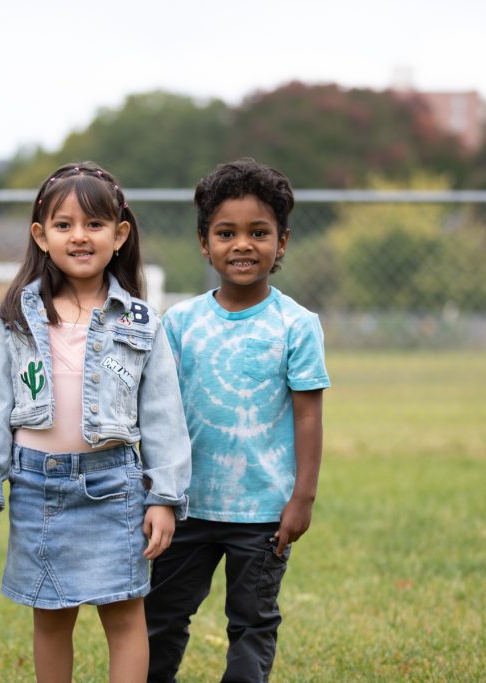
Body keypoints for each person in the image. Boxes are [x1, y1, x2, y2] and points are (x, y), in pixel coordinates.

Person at [0, 162, 192, 683]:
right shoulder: (19, 317)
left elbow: (163, 416)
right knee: (50, 617)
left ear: (120, 234)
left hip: (114, 487)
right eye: (64, 225)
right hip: (35, 486)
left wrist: (163, 496)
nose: (80, 236)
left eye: (94, 224)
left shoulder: (138, 320)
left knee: (124, 614)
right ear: (41, 237)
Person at [145, 158, 331, 683]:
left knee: (251, 623)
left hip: (263, 510)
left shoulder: (296, 325)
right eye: (226, 233)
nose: (243, 245)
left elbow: (309, 417)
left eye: (259, 232)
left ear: (283, 242)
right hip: (186, 506)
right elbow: (159, 413)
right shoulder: (179, 323)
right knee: (160, 618)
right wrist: (156, 488)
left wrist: (303, 497)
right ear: (204, 243)